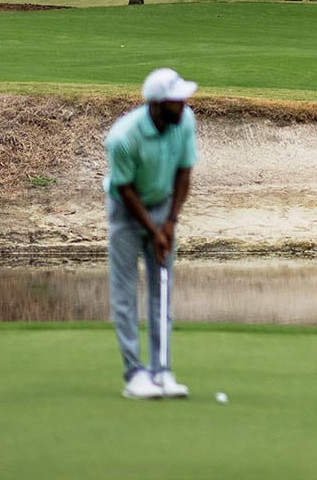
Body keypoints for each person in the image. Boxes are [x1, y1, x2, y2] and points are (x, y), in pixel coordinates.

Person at [104, 67, 198, 400]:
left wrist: (170, 223)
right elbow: (125, 188)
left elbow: (185, 172)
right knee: (126, 292)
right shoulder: (123, 137)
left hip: (162, 205)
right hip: (126, 210)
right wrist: (152, 229)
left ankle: (162, 371)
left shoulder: (184, 121)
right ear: (157, 104)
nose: (184, 105)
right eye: (177, 101)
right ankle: (135, 374)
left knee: (162, 288)